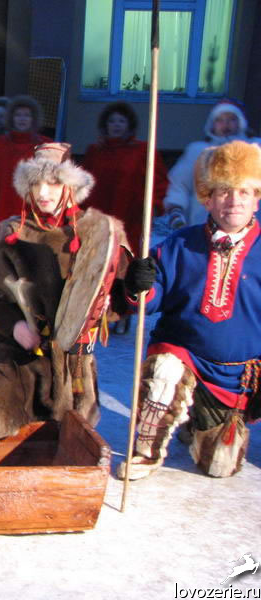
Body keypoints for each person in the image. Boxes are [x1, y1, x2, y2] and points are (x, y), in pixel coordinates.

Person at [0, 143, 130, 442]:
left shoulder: (99, 233)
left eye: (53, 183)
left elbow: (118, 298)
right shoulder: (7, 233)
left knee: (67, 438)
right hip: (16, 349)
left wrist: (131, 288)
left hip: (72, 358)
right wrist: (15, 326)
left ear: (70, 186)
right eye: (35, 183)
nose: (43, 192)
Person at [118, 141, 261, 480]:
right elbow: (151, 298)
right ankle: (146, 452)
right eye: (223, 191)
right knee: (164, 374)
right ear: (207, 198)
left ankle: (195, 422)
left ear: (257, 198)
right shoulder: (180, 243)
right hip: (183, 355)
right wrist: (139, 284)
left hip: (235, 376)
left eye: (244, 191)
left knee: (219, 467)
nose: (234, 201)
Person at [83, 102, 168, 253]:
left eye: (121, 121)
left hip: (130, 216)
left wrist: (153, 205)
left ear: (129, 125)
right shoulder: (95, 151)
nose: (116, 125)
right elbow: (84, 183)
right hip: (99, 216)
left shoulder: (142, 151)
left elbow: (158, 181)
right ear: (105, 125)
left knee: (127, 255)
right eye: (112, 121)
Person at [164, 99, 261, 229]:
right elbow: (179, 183)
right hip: (203, 222)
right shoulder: (198, 151)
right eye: (219, 120)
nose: (226, 124)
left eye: (231, 119)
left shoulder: (255, 150)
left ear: (241, 122)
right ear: (212, 125)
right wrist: (176, 209)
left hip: (249, 223)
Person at [0, 95, 51, 233]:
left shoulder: (45, 146)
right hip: (1, 207)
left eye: (27, 115)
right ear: (11, 118)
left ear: (34, 119)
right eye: (18, 115)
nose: (22, 119)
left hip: (32, 210)